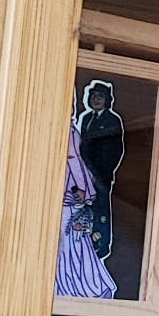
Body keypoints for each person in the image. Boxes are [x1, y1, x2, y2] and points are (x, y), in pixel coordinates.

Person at [56, 114, 117, 300]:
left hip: (69, 195)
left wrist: (84, 189)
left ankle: (80, 289)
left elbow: (76, 163)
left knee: (72, 242)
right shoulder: (64, 130)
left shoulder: (71, 132)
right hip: (59, 194)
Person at [76, 78, 125, 262]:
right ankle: (87, 243)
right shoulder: (87, 118)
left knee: (101, 210)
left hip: (100, 175)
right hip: (84, 174)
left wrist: (101, 172)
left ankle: (102, 245)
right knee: (86, 209)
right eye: (94, 96)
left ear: (107, 99)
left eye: (100, 96)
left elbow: (115, 151)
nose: (96, 99)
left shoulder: (112, 120)